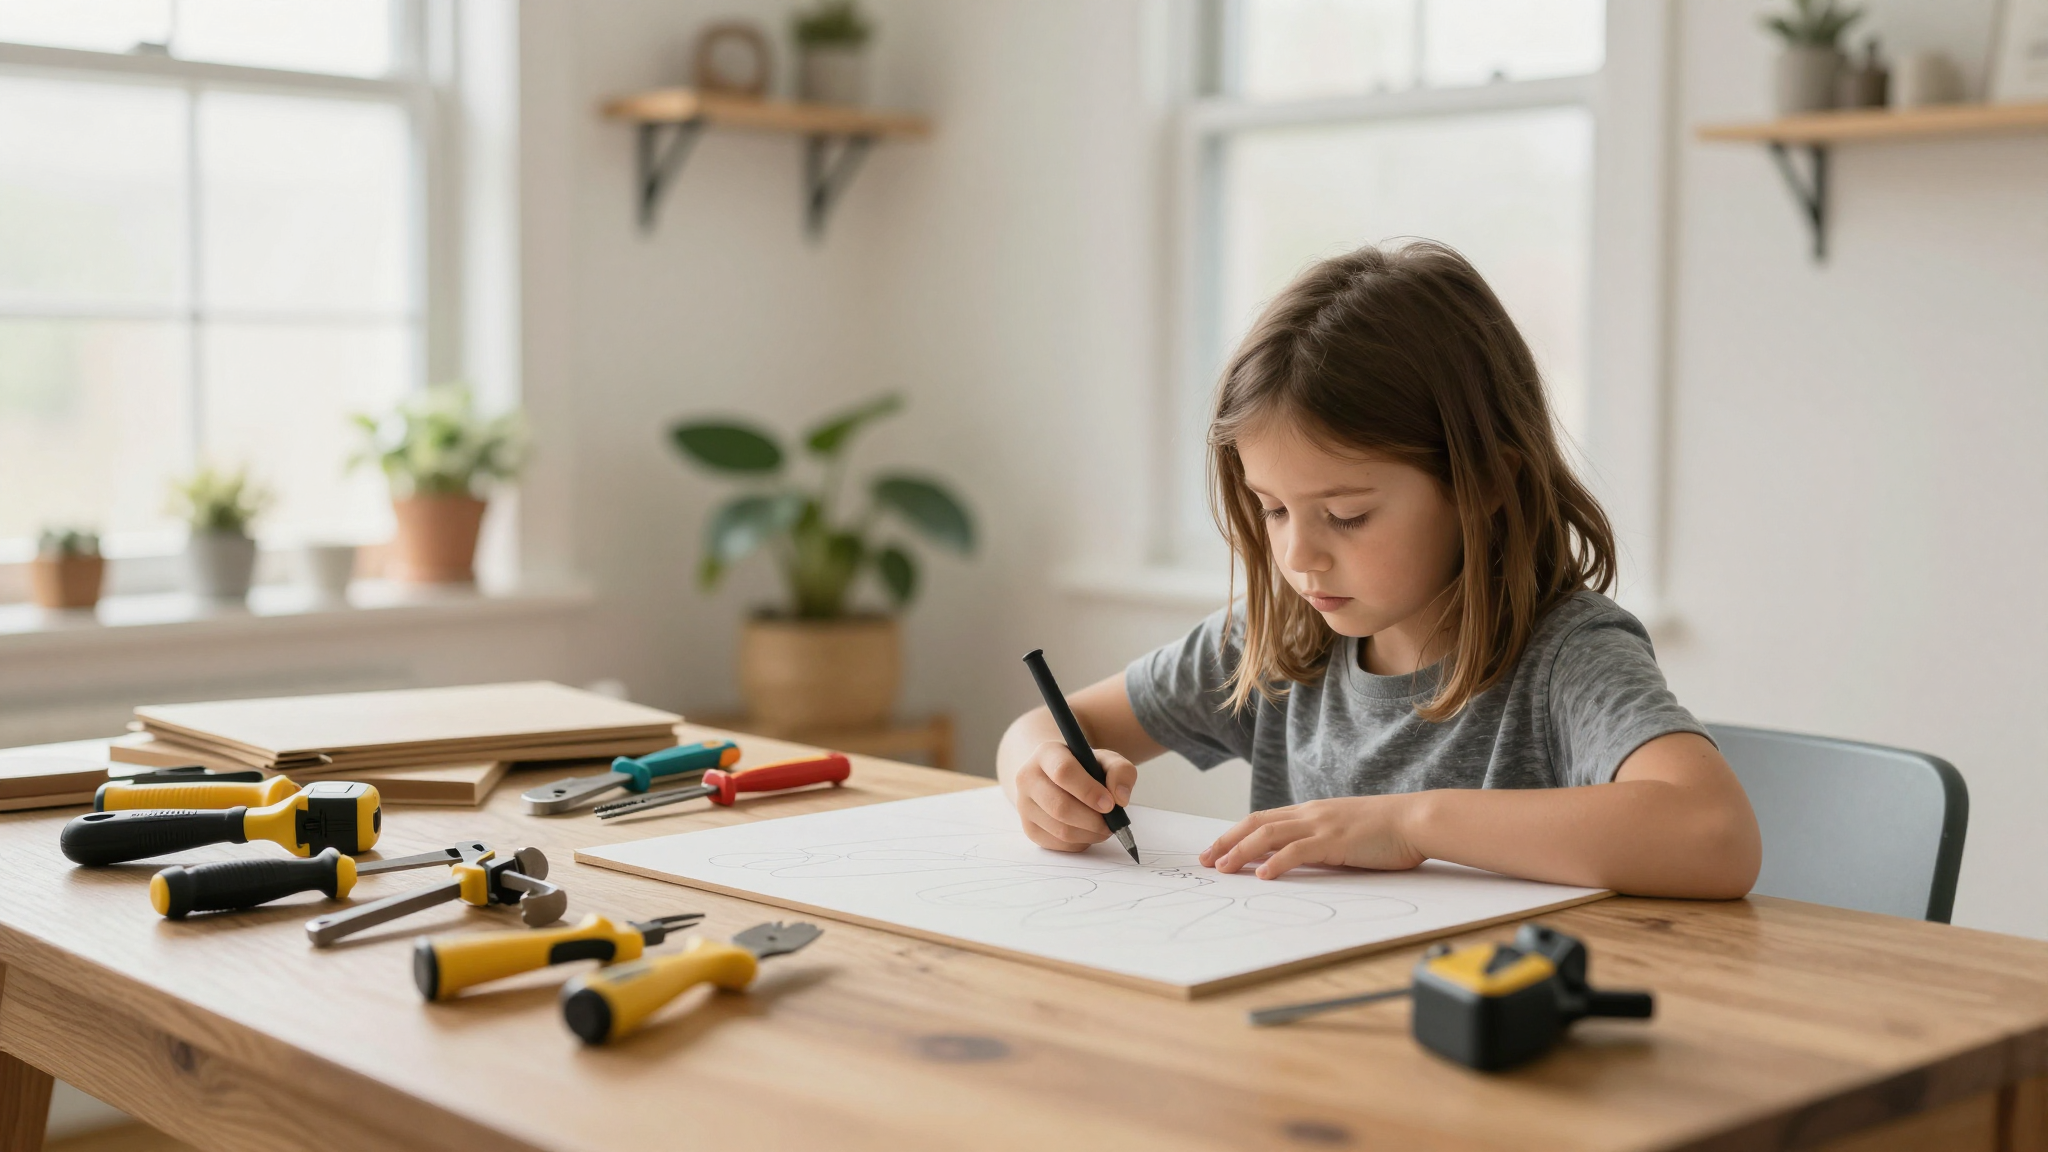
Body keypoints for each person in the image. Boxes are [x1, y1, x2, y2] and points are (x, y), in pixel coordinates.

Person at [997, 241, 1760, 898]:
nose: (1298, 557)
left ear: (1485, 484)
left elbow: (1715, 832)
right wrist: (1042, 773)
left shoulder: (1567, 658)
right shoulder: (1274, 645)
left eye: (1348, 515)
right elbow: (1050, 723)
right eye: (1272, 509)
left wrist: (1411, 822)